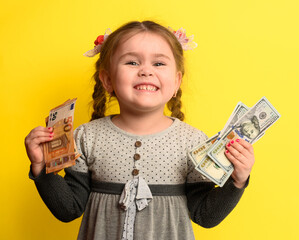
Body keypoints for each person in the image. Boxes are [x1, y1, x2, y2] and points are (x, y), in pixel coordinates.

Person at [25, 20, 255, 240]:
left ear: (176, 82)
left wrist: (237, 181)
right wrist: (41, 168)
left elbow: (205, 216)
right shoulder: (86, 137)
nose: (146, 71)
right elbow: (68, 210)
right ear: (107, 80)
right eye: (132, 62)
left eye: (159, 63)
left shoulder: (192, 141)